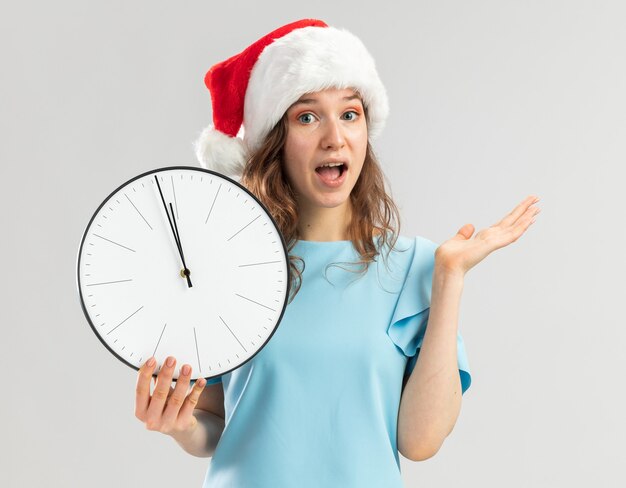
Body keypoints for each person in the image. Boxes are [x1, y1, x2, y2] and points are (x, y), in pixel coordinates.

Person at [134, 18, 541, 487]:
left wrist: (450, 277)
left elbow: (420, 441)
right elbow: (220, 423)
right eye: (307, 116)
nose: (335, 137)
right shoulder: (230, 268)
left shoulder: (416, 267)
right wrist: (179, 423)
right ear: (275, 139)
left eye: (350, 114)